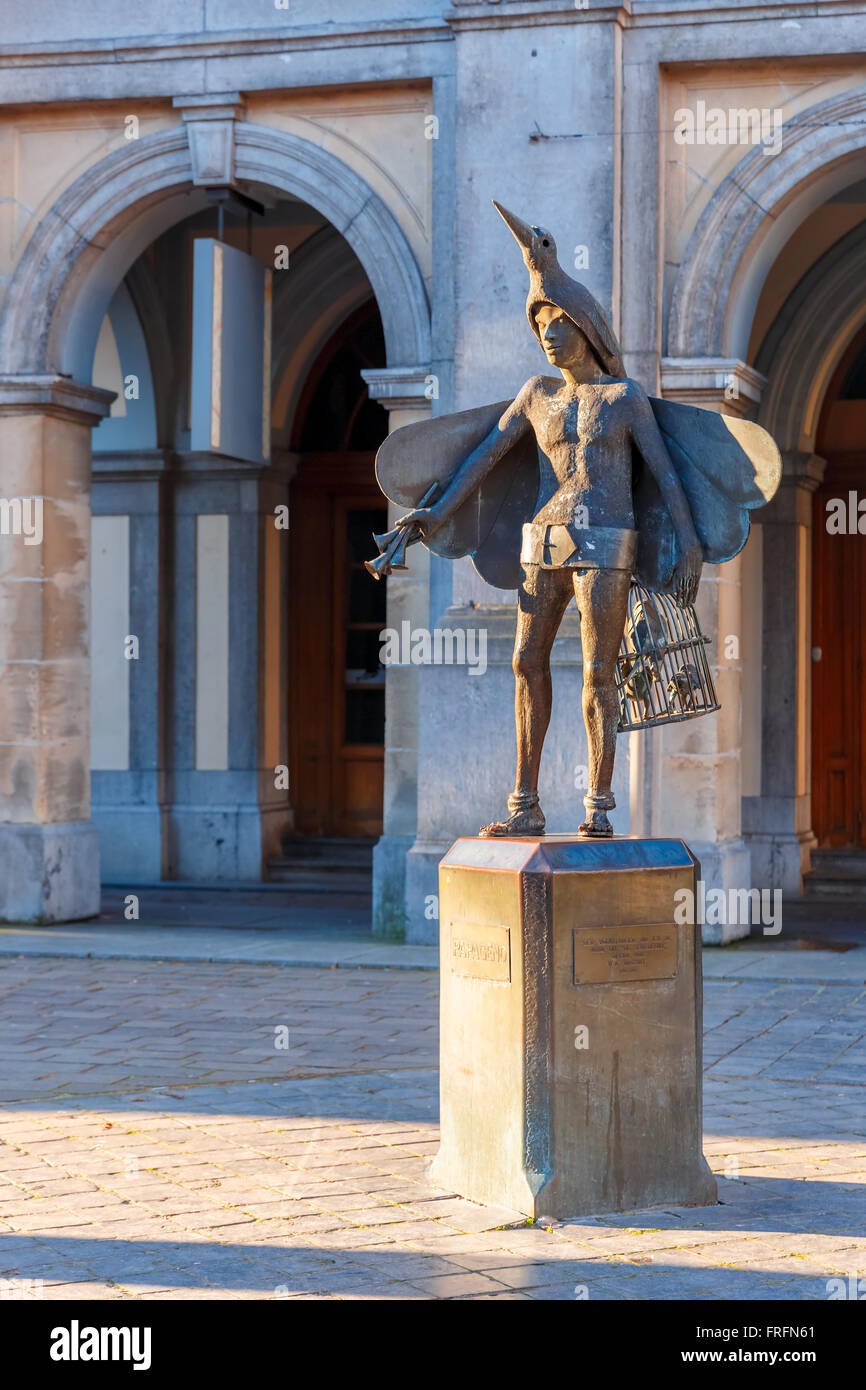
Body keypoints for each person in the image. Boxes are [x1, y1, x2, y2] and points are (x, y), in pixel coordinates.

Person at [396, 208, 702, 838]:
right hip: (546, 540)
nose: (548, 337)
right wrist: (436, 510)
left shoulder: (624, 399)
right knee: (524, 662)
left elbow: (667, 475)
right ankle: (525, 805)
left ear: (586, 327)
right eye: (540, 328)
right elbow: (484, 458)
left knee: (598, 669)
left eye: (557, 324)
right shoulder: (536, 393)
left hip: (607, 543)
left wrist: (689, 541)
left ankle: (598, 804)